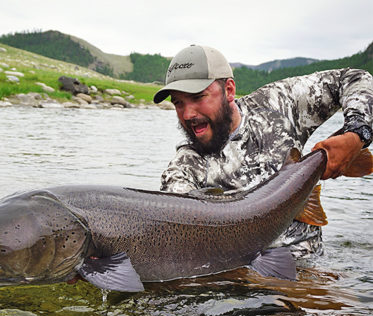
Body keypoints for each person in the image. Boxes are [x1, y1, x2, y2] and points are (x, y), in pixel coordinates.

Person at [153, 45, 373, 259]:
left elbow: (355, 78)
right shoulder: (183, 169)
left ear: (229, 90)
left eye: (198, 97)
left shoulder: (279, 104)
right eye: (178, 103)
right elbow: (179, 241)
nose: (188, 113)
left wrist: (356, 134)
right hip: (245, 285)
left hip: (313, 272)